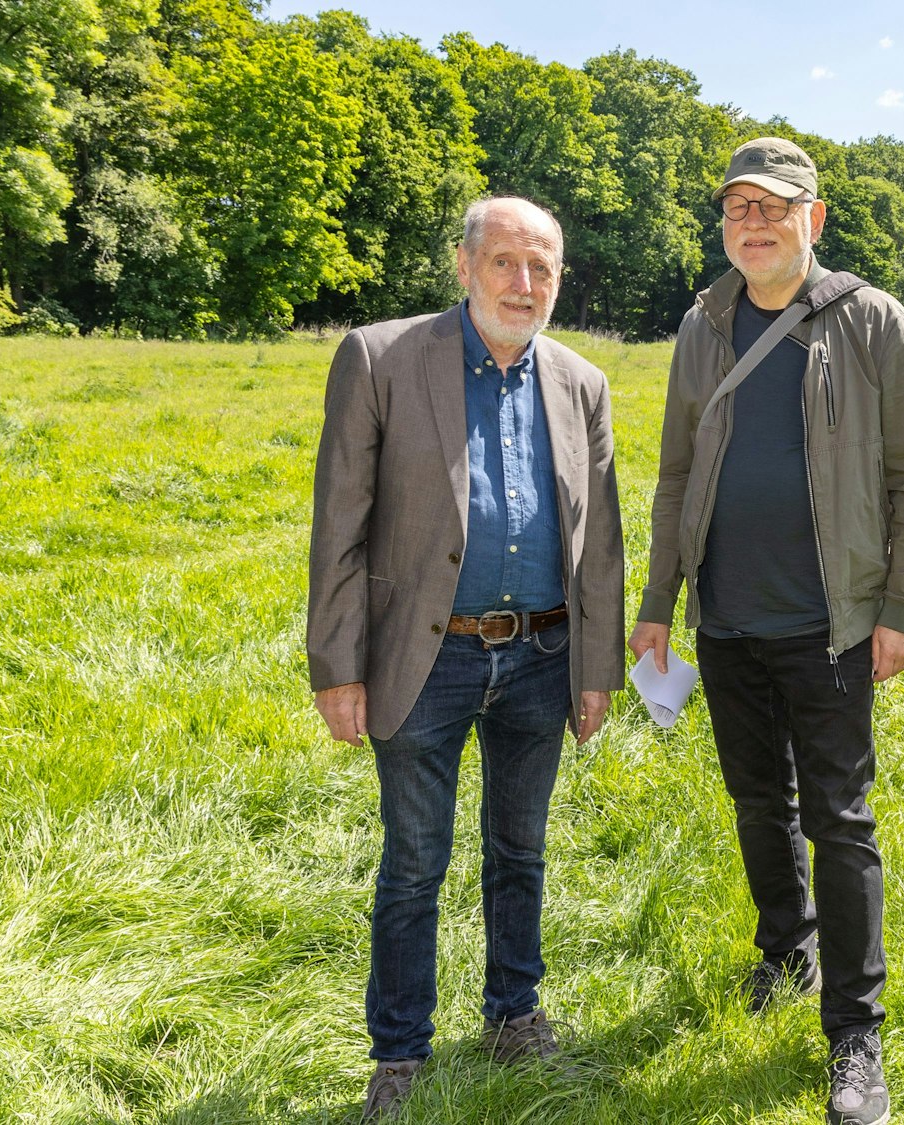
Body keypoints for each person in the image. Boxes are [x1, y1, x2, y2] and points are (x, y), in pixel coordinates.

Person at [628, 137, 904, 1125]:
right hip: (726, 619)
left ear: (813, 219)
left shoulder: (870, 322)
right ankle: (784, 952)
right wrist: (657, 601)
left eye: (772, 209)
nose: (752, 225)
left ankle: (856, 1035)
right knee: (756, 801)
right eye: (736, 210)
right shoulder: (702, 325)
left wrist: (902, 609)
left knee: (839, 822)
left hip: (832, 626)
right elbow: (678, 468)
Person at [306, 196, 626, 1120]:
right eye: (506, 265)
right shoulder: (382, 358)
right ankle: (399, 1051)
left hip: (542, 654)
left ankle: (513, 1014)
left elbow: (598, 540)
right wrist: (338, 664)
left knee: (519, 849)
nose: (525, 286)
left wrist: (595, 665)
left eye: (544, 270)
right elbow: (341, 528)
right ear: (465, 265)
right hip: (424, 656)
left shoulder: (582, 382)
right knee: (415, 861)